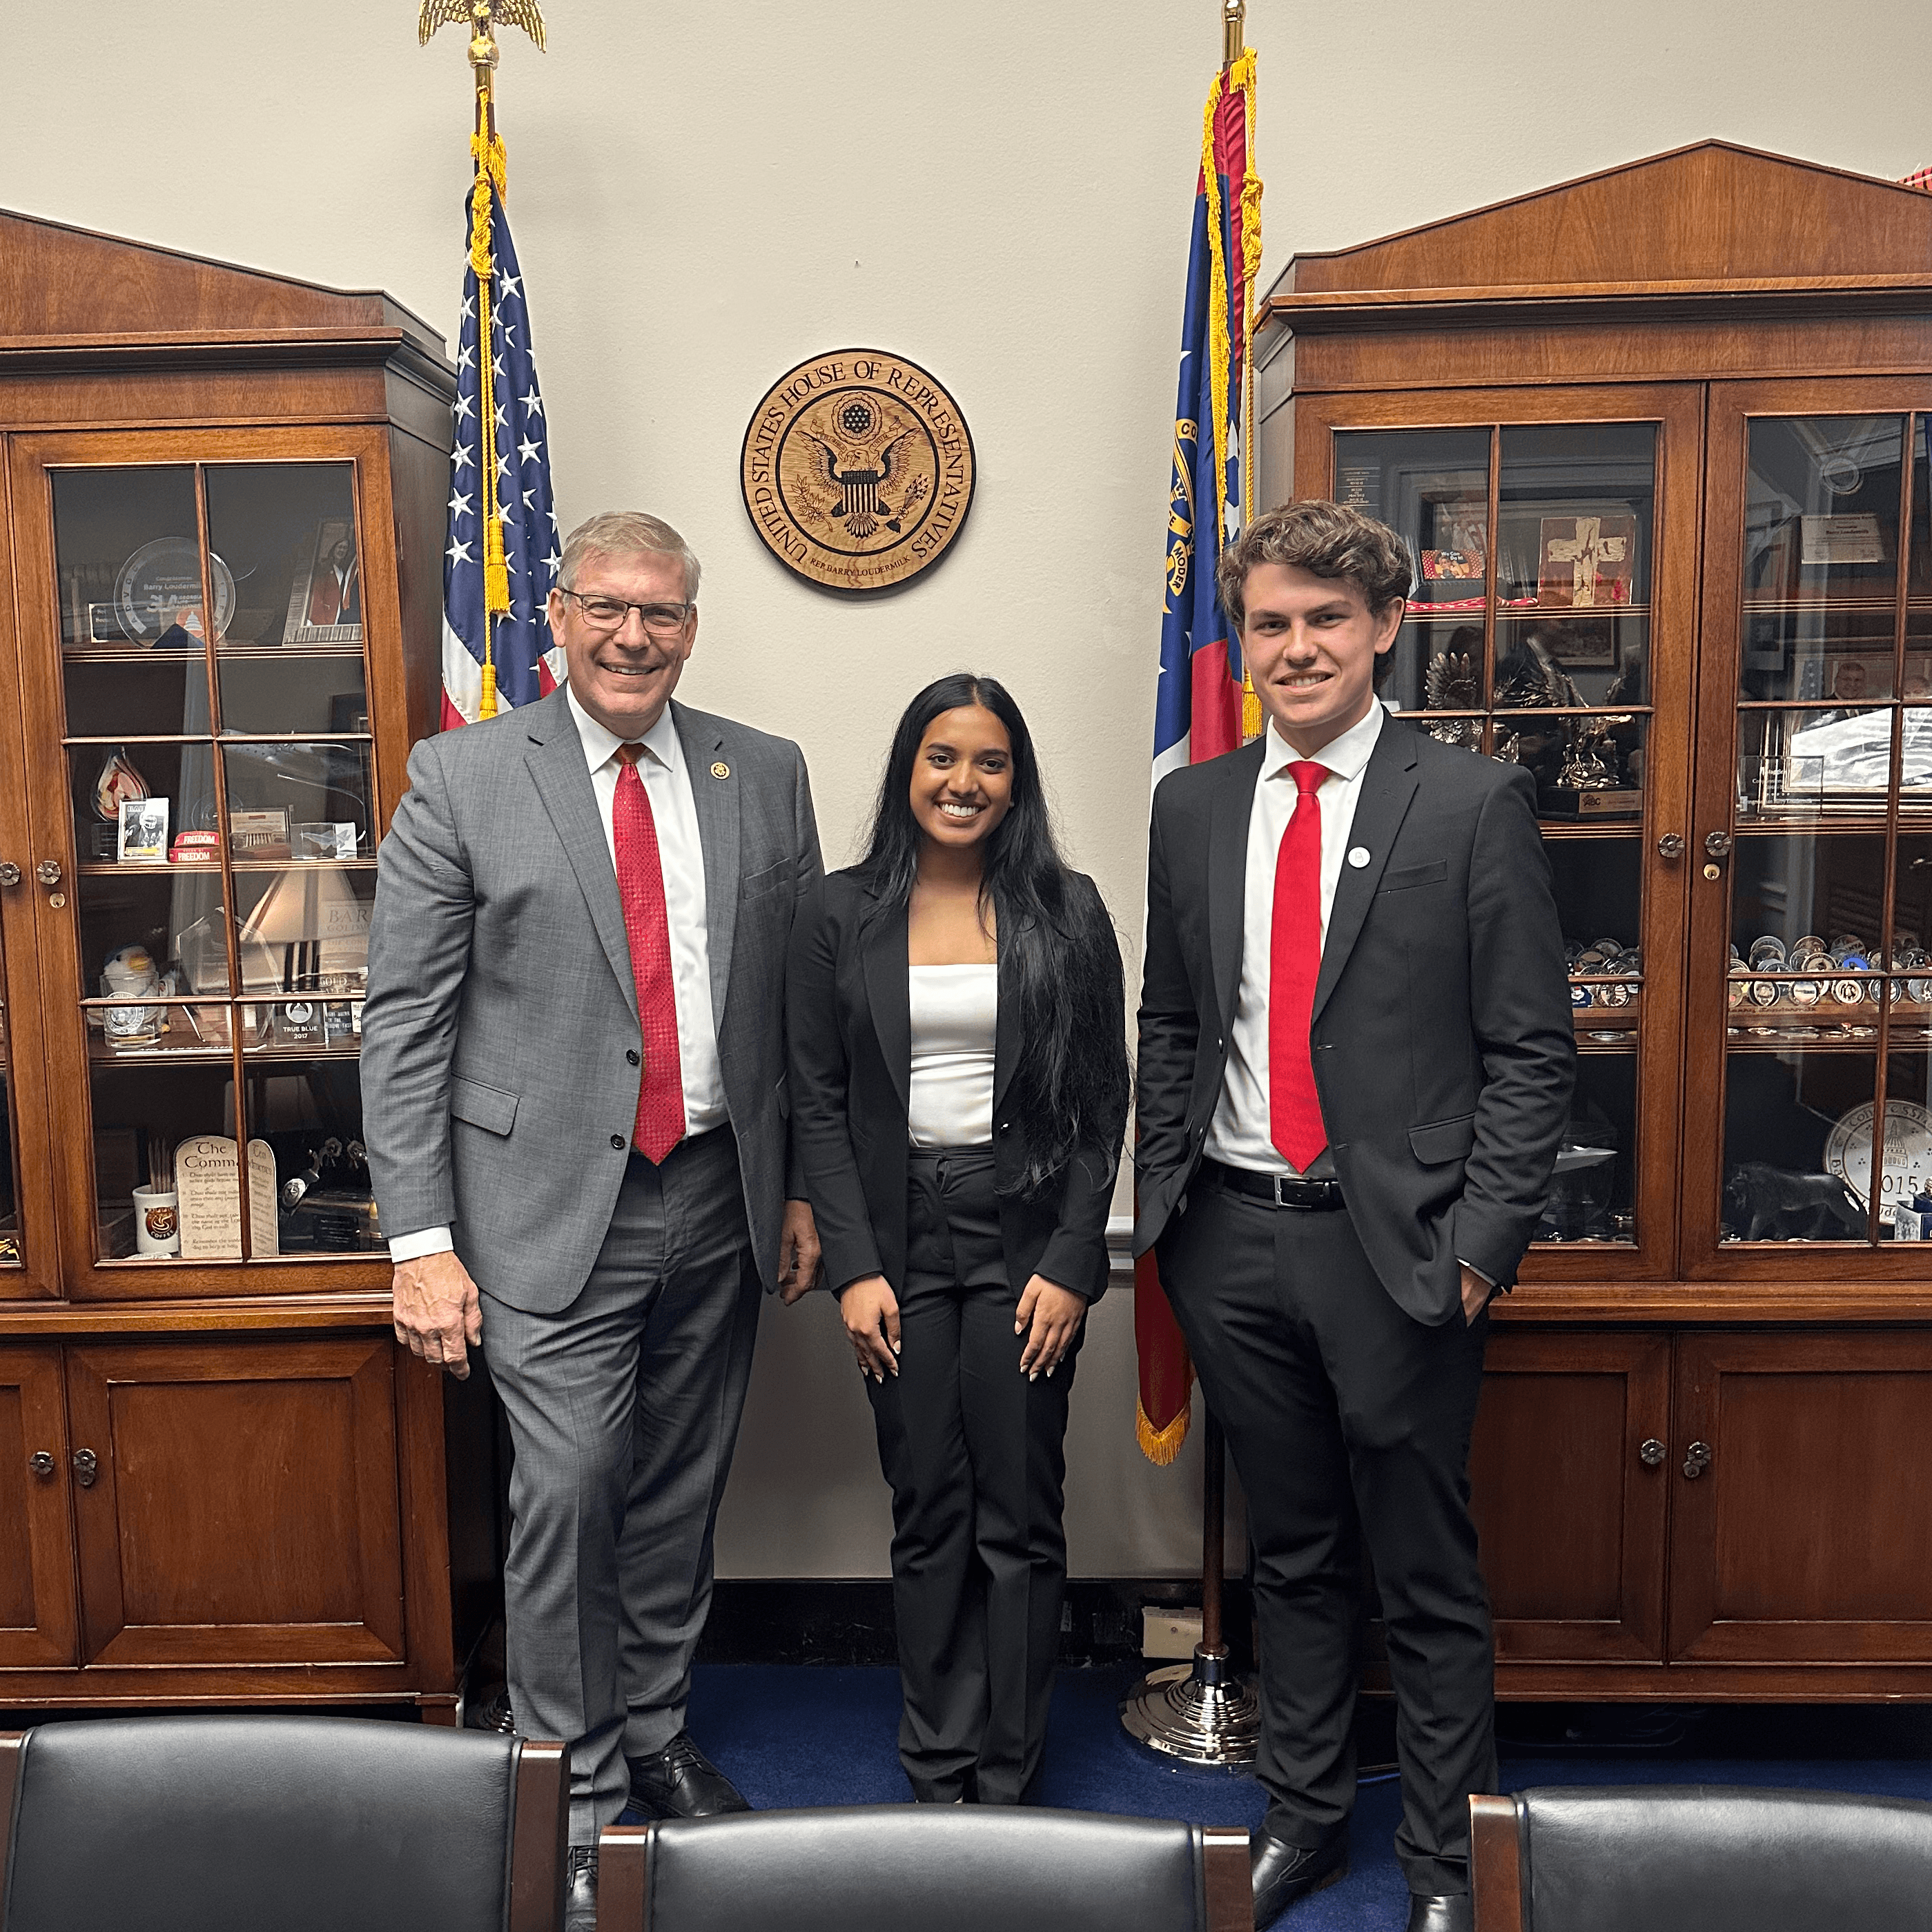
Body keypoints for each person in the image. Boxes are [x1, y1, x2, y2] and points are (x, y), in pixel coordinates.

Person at [362, 510, 823, 1932]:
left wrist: (797, 1181)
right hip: (542, 1208)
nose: (635, 636)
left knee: (680, 1491)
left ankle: (656, 1727)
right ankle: (568, 1800)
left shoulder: (766, 771)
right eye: (607, 608)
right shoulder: (462, 775)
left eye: (664, 614)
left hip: (715, 1187)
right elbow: (404, 1024)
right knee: (567, 1494)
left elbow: (791, 1007)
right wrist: (419, 1240)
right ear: (555, 616)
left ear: (693, 626)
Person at [1134, 501, 1574, 1932]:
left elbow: (1530, 1054)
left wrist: (1479, 1248)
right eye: (1271, 621)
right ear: (1243, 637)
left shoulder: (1466, 801)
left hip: (1402, 1254)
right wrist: (1164, 1215)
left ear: (1384, 626)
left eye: (1327, 619)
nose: (1296, 647)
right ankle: (1306, 1817)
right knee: (1298, 1555)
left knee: (1422, 1570)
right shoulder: (1193, 804)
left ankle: (1451, 1862)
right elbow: (1172, 1020)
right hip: (1234, 1239)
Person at [787, 673, 1129, 1806]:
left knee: (1020, 1510)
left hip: (1022, 1229)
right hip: (894, 1237)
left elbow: (1097, 1104)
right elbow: (818, 1100)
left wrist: (1076, 1260)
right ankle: (937, 1759)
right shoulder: (837, 912)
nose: (962, 782)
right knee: (926, 1499)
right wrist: (854, 1266)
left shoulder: (1067, 909)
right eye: (942, 757)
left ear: (1015, 779)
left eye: (988, 761)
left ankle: (1009, 1766)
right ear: (906, 769)